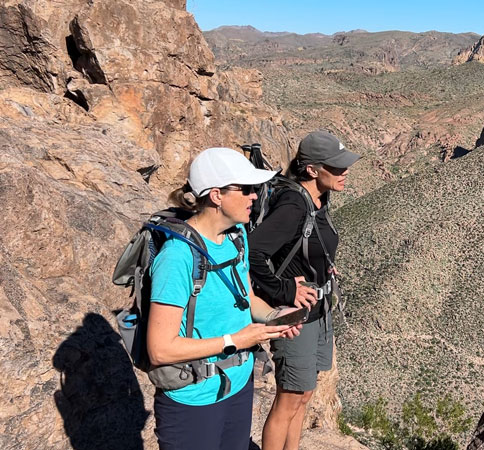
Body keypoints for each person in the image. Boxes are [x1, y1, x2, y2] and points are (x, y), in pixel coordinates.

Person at [147, 147, 302, 450]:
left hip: (238, 385)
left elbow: (247, 297)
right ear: (216, 195)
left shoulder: (237, 236)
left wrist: (273, 316)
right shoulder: (177, 258)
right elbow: (159, 350)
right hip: (193, 400)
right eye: (245, 189)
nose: (254, 196)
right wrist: (236, 340)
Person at [249, 130, 360, 450]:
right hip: (297, 316)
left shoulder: (319, 197)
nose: (345, 172)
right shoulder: (293, 204)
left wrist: (324, 269)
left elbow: (307, 244)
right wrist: (284, 291)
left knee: (305, 394)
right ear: (312, 170)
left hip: (320, 307)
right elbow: (252, 252)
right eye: (337, 167)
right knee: (289, 398)